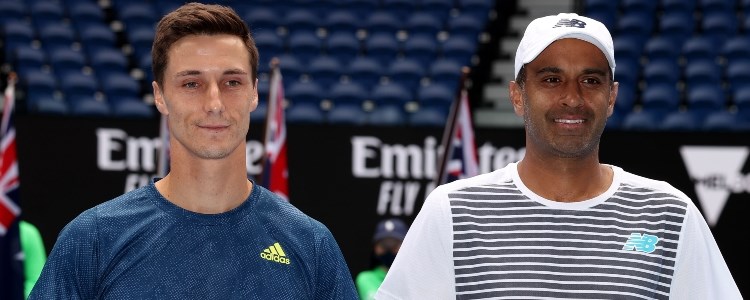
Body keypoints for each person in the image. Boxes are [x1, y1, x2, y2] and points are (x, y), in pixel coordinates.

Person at [376, 13, 742, 300]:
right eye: (552, 79)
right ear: (518, 95)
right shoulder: (452, 210)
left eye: (591, 80)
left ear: (611, 97)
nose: (572, 97)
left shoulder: (669, 213)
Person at [29, 3, 357, 299]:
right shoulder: (94, 239)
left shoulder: (311, 245)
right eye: (191, 84)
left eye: (232, 83)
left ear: (254, 93)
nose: (214, 104)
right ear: (160, 96)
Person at [356, 218, 408, 300]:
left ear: (406, 246)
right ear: (375, 248)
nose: (389, 250)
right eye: (384, 246)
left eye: (394, 246)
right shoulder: (365, 278)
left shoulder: (413, 278)